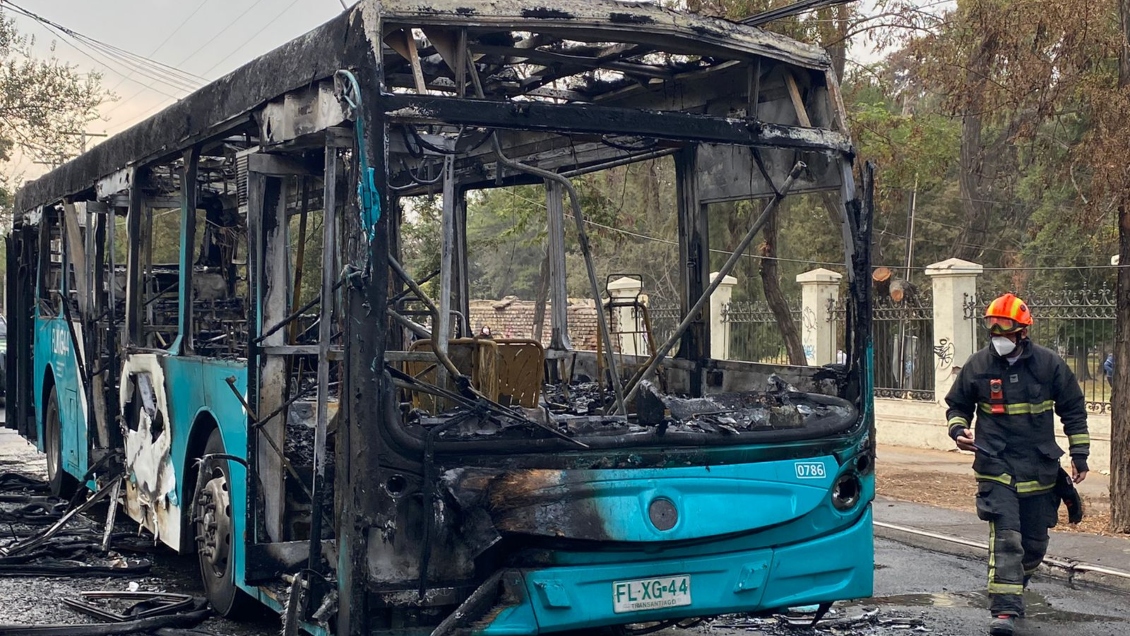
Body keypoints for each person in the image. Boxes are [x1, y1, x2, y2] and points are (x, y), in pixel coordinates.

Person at [944, 293, 1090, 636]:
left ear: (1023, 331)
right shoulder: (978, 365)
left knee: (1034, 544)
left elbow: (1073, 409)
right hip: (995, 465)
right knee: (1007, 538)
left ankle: (1013, 586)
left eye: (1004, 328)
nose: (997, 334)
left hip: (1039, 468)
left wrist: (1079, 455)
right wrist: (958, 430)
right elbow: (957, 405)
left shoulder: (1048, 364)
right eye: (992, 326)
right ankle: (1004, 612)